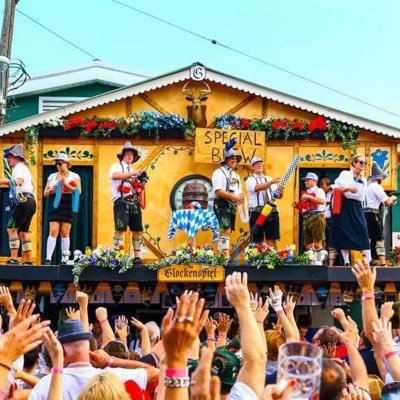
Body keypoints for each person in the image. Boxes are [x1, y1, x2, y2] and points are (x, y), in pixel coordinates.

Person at [109, 142, 147, 265]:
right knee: (120, 229)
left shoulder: (133, 170)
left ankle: (137, 257)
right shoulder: (116, 166)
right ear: (123, 156)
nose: (130, 156)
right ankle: (116, 256)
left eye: (131, 154)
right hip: (121, 201)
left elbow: (138, 187)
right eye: (127, 154)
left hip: (134, 202)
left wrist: (142, 182)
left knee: (136, 229)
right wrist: (133, 173)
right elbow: (115, 176)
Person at [329, 154, 370, 266]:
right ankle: (346, 261)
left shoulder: (364, 179)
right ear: (354, 163)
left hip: (356, 205)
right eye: (361, 162)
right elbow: (335, 189)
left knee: (362, 229)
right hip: (344, 204)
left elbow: (362, 195)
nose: (363, 165)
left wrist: (353, 189)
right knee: (343, 231)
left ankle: (369, 259)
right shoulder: (345, 174)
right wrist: (347, 189)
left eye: (364, 163)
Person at [0, 144, 36, 265]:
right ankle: (27, 260)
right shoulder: (24, 168)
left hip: (23, 200)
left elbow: (19, 182)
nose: (9, 160)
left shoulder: (19, 167)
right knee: (23, 232)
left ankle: (14, 259)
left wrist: (3, 181)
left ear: (17, 157)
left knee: (11, 228)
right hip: (30, 201)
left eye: (10, 157)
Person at [43, 153, 81, 265]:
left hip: (68, 203)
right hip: (55, 202)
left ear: (67, 164)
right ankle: (48, 259)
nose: (58, 165)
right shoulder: (51, 176)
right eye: (56, 163)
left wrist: (65, 185)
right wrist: (51, 190)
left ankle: (64, 259)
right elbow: (45, 193)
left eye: (60, 163)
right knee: (53, 230)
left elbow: (79, 191)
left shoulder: (74, 176)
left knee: (65, 232)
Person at [212, 139, 244, 259]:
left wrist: (241, 197)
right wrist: (233, 196)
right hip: (221, 202)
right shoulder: (218, 172)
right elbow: (218, 191)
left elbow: (239, 190)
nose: (234, 160)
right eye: (232, 158)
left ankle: (221, 255)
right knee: (226, 228)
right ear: (225, 160)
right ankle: (225, 256)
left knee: (228, 230)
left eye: (236, 158)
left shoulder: (236, 175)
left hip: (232, 204)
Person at [364, 162, 397, 266]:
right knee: (379, 239)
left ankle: (367, 262)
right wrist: (393, 197)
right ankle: (383, 263)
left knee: (367, 239)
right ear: (379, 178)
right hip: (373, 214)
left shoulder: (366, 187)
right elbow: (387, 202)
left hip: (363, 214)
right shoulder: (376, 187)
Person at [246, 156, 282, 248]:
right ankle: (260, 261)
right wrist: (271, 182)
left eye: (260, 163)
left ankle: (272, 260)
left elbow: (278, 196)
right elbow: (256, 188)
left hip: (271, 210)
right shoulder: (250, 180)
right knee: (258, 240)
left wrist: (281, 190)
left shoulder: (269, 178)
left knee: (272, 239)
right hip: (257, 211)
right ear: (252, 167)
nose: (259, 165)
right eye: (256, 164)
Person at [296, 172, 326, 264]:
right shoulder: (305, 193)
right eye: (305, 180)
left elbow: (321, 201)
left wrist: (308, 197)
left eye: (307, 180)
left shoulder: (319, 191)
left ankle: (318, 261)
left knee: (317, 242)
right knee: (308, 244)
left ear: (314, 181)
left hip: (317, 216)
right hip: (306, 217)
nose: (305, 182)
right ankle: (311, 261)